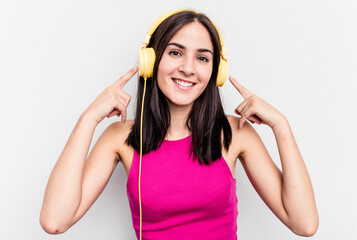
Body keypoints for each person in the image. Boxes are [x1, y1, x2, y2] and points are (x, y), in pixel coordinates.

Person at [40, 9, 319, 239]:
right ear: (151, 61)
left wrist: (281, 125)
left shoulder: (235, 134)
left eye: (202, 58)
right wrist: (87, 119)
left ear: (215, 72)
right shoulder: (121, 137)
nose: (188, 67)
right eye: (175, 52)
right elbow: (55, 221)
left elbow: (304, 224)